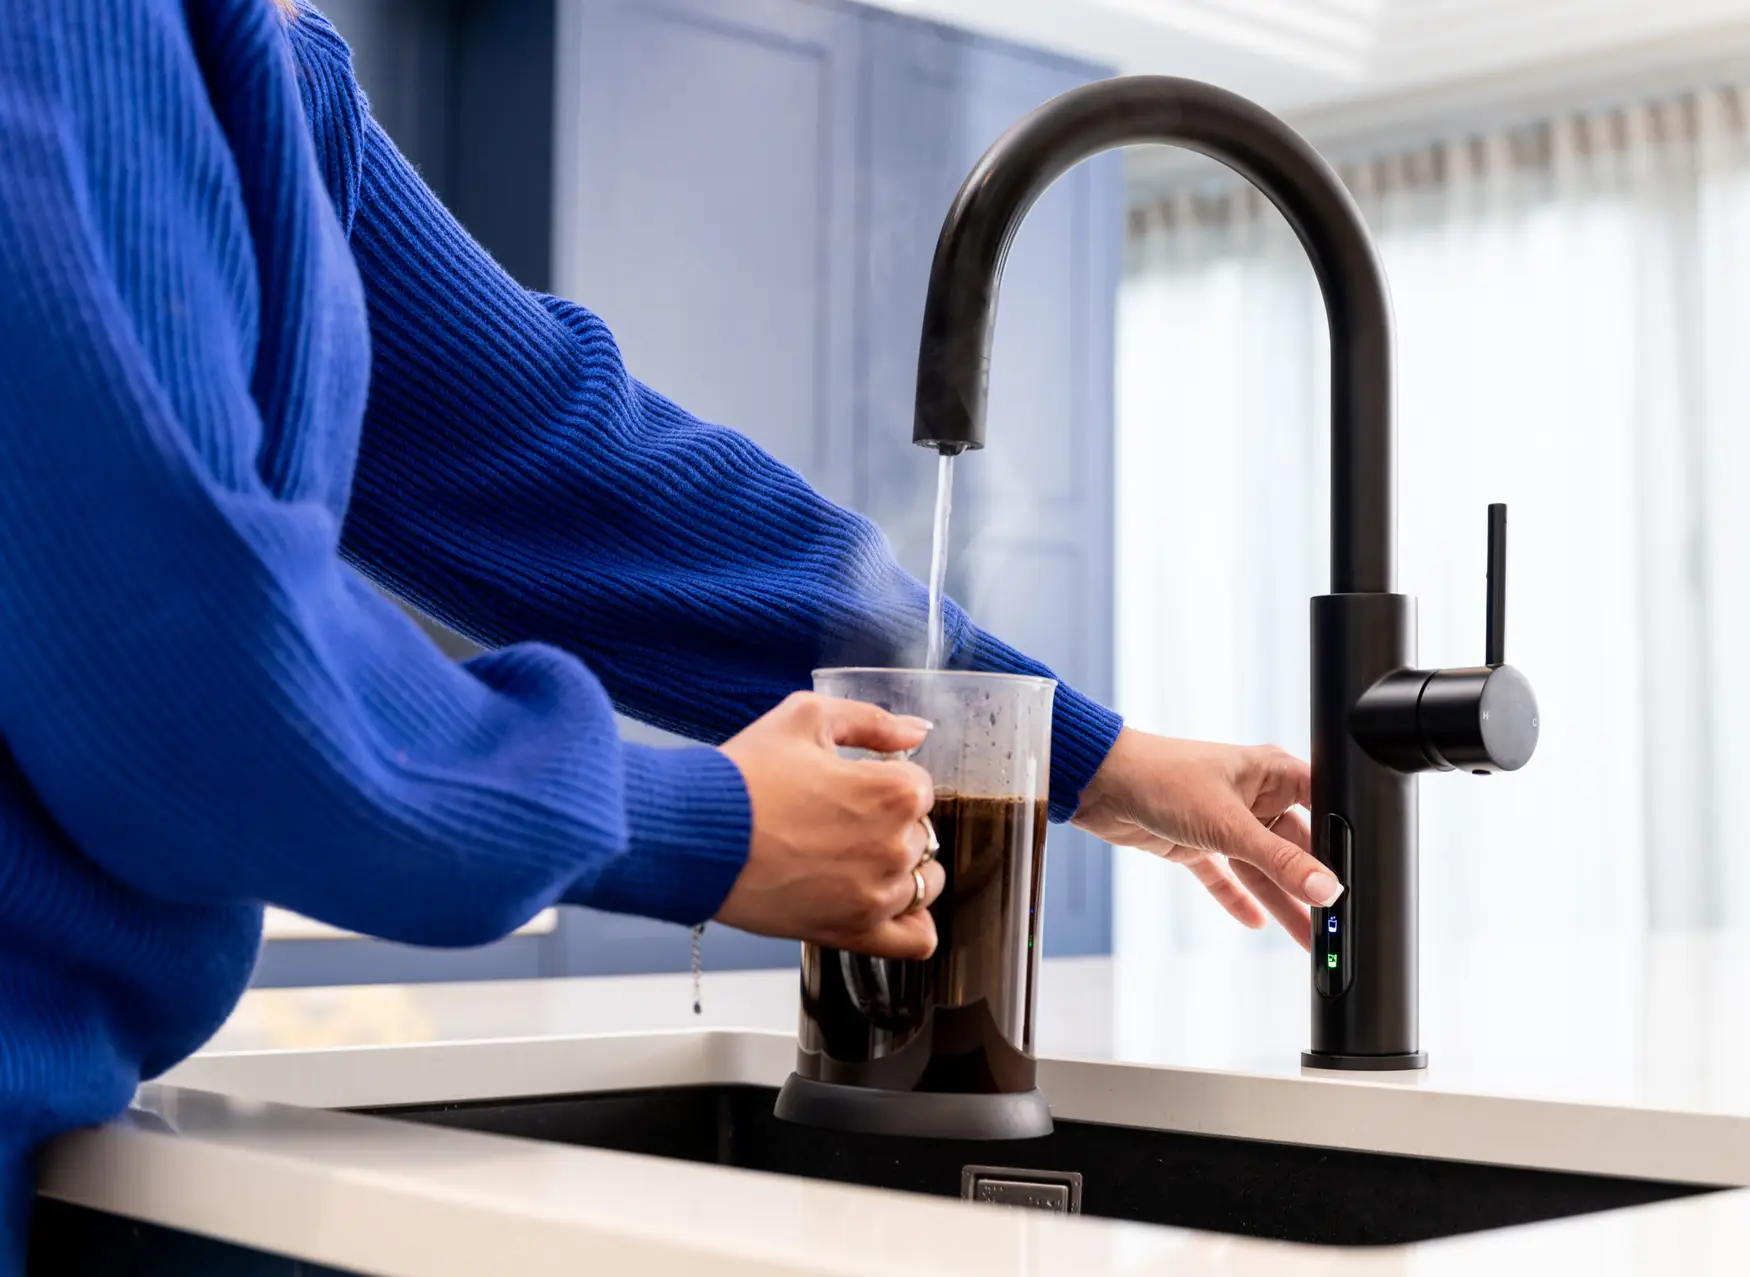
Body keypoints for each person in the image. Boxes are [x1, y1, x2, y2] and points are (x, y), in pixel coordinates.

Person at [0, 0, 1343, 1264]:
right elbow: (196, 685)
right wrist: (713, 822)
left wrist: (1092, 757)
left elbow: (569, 470)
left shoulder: (259, 67)